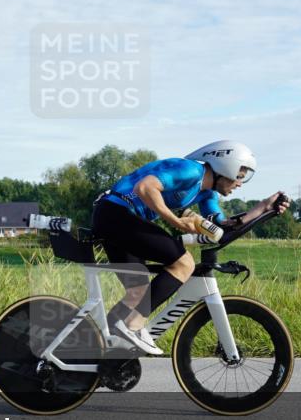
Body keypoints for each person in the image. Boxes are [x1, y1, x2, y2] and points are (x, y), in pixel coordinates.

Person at [90, 140, 290, 355]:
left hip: (115, 218)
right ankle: (133, 326)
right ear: (226, 167)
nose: (240, 183)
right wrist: (176, 221)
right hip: (117, 213)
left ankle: (97, 349)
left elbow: (222, 229)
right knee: (184, 264)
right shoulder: (190, 170)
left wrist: (263, 208)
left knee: (138, 293)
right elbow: (145, 187)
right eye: (239, 176)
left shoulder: (206, 193)